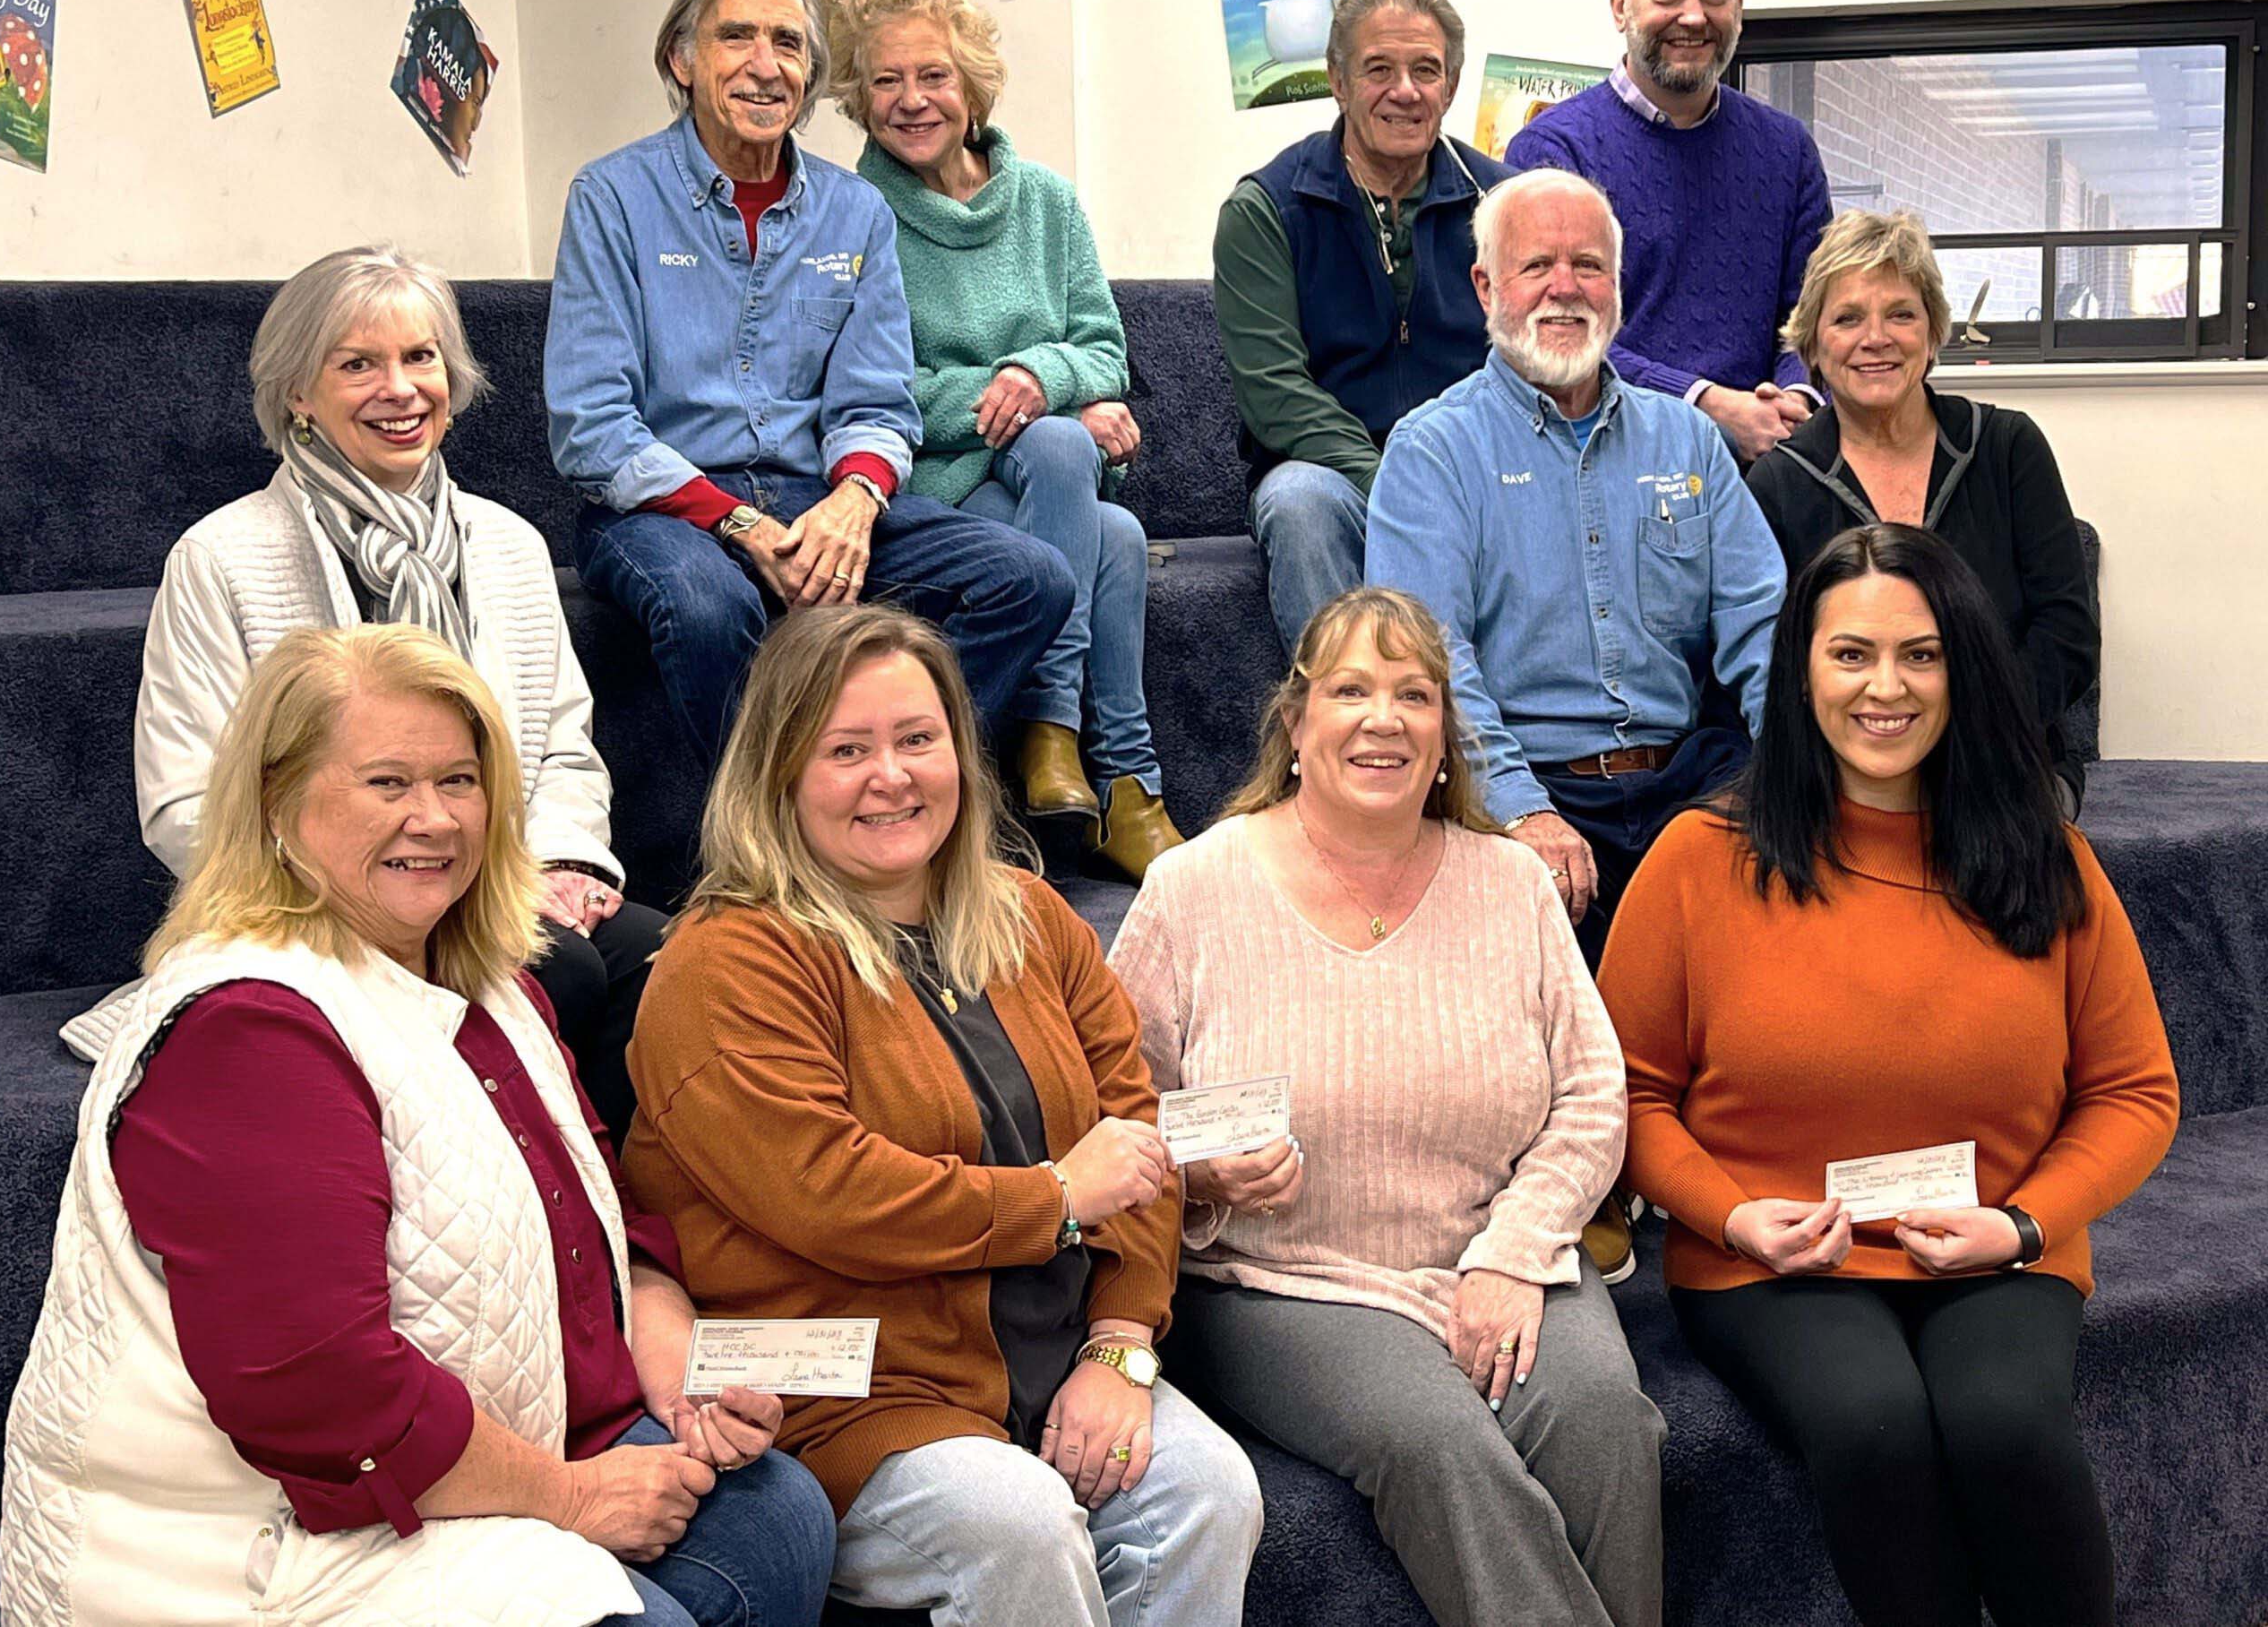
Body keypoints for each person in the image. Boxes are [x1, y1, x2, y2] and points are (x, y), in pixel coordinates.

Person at [0, 625, 835, 1627]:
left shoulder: (484, 980)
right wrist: (571, 1497)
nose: (434, 819)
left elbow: (596, 1212)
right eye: (387, 782)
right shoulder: (249, 1031)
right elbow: (316, 1389)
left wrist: (671, 1352)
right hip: (261, 1544)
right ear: (277, 803)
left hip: (467, 1461)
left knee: (774, 1511)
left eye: (459, 780)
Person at [622, 605, 1263, 1626]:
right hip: (847, 1392)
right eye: (847, 750)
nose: (893, 775)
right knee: (1016, 1519)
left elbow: (1133, 1134)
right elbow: (825, 1192)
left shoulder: (1029, 913)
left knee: (1210, 1492)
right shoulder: (726, 957)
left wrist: (1120, 1343)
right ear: (779, 774)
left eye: (918, 740)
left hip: (1053, 1360)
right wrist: (1053, 1199)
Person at [1598, 524, 2179, 1627]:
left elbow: (2135, 1090)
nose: (1886, 687)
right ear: (1799, 668)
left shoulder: (2045, 858)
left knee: (2004, 1420)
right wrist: (1730, 1218)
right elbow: (1627, 1094)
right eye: (1850, 654)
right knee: (1870, 1420)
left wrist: (2021, 1224)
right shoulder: (1696, 859)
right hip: (1772, 1256)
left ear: (1962, 667)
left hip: (1995, 1238)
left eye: (1920, 655)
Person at [1111, 586, 1661, 1627]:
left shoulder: (1510, 883)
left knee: (1607, 1423)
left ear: (1445, 735)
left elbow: (1593, 1096)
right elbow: (1114, 1105)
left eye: (1414, 694)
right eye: (1351, 689)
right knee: (1439, 1446)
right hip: (1284, 1279)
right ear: (1294, 724)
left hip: (1500, 1250)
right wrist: (1199, 1167)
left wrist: (1512, 1250)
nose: (1383, 718)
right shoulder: (1192, 886)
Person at [118, 244, 661, 1138]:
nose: (401, 388)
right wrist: (377, 882)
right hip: (318, 901)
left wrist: (558, 864)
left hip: (498, 881)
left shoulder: (510, 545)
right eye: (358, 364)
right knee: (552, 971)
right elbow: (185, 798)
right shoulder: (220, 557)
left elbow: (564, 744)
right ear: (298, 391)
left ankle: (610, 1224)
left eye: (420, 357)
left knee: (664, 962)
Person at [543, 0, 1069, 769]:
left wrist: (855, 502)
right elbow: (591, 425)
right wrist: (740, 522)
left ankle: (869, 780)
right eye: (736, 38)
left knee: (1030, 578)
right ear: (682, 60)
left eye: (788, 44)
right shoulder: (612, 196)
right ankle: (766, 837)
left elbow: (876, 402)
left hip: (812, 491)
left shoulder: (854, 210)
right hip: (657, 507)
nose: (765, 66)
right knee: (710, 606)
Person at [1366, 168, 1785, 968]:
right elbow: (1430, 664)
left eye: (1589, 265)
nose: (1566, 289)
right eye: (1537, 267)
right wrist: (1522, 811)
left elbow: (1764, 627)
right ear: (1487, 286)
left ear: (1618, 287)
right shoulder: (1431, 452)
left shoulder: (1689, 442)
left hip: (1688, 783)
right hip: (1528, 786)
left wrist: (1804, 781)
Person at [827, 0, 1182, 877]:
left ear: (973, 83)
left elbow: (1105, 351)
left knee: (1082, 473)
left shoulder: (1047, 202)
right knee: (1113, 529)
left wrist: (1046, 373)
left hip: (1047, 472)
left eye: (933, 75)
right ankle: (1118, 779)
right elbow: (872, 385)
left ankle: (1068, 750)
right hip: (944, 485)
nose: (913, 100)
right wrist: (1014, 396)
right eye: (886, 81)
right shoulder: (851, 214)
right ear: (857, 100)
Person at [1747, 210, 2100, 814]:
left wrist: (1957, 727)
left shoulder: (2008, 447)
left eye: (1901, 314)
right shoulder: (1777, 483)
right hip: (1846, 773)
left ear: (1933, 333)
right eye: (1848, 318)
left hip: (2006, 761)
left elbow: (2067, 634)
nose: (1876, 337)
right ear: (1812, 343)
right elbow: (1771, 664)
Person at [1214, 0, 1514, 652]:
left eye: (1426, 70)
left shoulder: (1505, 207)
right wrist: (1398, 487)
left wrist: (1451, 482)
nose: (1404, 90)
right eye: (1379, 69)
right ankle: (1346, 729)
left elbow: (1526, 368)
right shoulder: (1263, 210)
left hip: (1471, 473)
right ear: (1338, 81)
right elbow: (1275, 396)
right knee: (1298, 503)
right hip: (1327, 476)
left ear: (1452, 85)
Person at [1507, 0, 1831, 463]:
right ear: (1620, 6)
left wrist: (1792, 401)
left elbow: (1814, 309)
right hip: (1606, 453)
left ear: (1738, 6)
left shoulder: (1787, 149)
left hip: (1768, 459)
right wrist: (1705, 405)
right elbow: (1555, 332)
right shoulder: (1553, 152)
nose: (1693, 17)